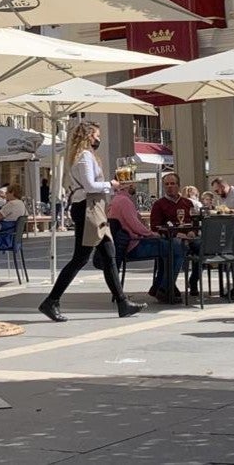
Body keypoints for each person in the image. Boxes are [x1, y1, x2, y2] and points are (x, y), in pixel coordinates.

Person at [38, 121, 144, 322]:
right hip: (88, 207)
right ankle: (51, 301)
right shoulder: (85, 156)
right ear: (88, 136)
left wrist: (111, 186)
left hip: (93, 208)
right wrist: (110, 185)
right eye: (96, 135)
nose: (99, 139)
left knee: (109, 254)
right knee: (81, 258)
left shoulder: (82, 156)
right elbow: (89, 185)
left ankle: (122, 302)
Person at [110, 182, 185, 303]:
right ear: (127, 185)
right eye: (133, 183)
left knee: (166, 247)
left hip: (125, 245)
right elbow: (135, 226)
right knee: (177, 247)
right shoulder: (124, 201)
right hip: (134, 245)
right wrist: (151, 234)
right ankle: (165, 288)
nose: (135, 186)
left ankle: (159, 287)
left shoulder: (116, 200)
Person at [150, 173, 201, 294]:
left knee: (204, 246)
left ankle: (194, 280)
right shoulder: (159, 204)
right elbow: (155, 228)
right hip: (171, 238)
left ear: (178, 185)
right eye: (166, 184)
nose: (169, 186)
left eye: (172, 184)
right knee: (178, 246)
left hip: (189, 237)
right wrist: (176, 234)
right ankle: (166, 287)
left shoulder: (187, 203)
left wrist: (193, 232)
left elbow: (195, 222)